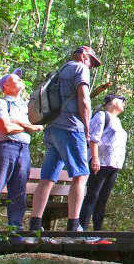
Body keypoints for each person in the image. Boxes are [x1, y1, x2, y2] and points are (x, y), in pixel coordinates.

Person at [28, 46, 102, 237]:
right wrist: (87, 127)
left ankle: (35, 222)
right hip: (71, 127)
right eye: (91, 61)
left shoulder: (61, 70)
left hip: (52, 128)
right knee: (81, 176)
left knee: (47, 178)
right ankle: (73, 224)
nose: (91, 66)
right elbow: (84, 99)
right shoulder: (80, 69)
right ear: (84, 56)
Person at [0, 69, 44, 234]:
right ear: (5, 86)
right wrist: (27, 127)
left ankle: (15, 225)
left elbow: (36, 126)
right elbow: (5, 127)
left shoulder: (26, 106)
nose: (20, 81)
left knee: (19, 188)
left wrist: (18, 123)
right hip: (5, 147)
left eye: (21, 79)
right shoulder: (1, 103)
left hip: (23, 150)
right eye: (16, 80)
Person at [79, 93, 128, 242]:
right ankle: (82, 230)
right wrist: (95, 158)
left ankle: (97, 232)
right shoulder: (101, 115)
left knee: (103, 199)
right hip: (100, 162)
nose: (124, 103)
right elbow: (94, 139)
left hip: (114, 165)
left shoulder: (118, 121)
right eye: (122, 100)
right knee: (92, 195)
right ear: (112, 102)